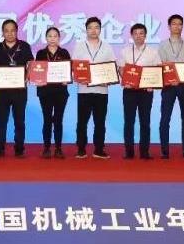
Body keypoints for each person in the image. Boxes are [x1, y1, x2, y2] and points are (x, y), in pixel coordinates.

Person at [72, 17, 117, 159]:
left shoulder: (107, 47)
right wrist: (79, 76)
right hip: (84, 90)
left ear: (100, 29)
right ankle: (81, 149)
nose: (93, 30)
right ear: (86, 30)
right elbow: (74, 67)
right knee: (82, 121)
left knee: (100, 122)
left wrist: (108, 80)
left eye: (96, 27)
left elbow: (112, 67)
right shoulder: (79, 46)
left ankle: (99, 149)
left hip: (101, 91)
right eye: (90, 27)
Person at [0, 19, 34, 158]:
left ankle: (19, 149)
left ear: (17, 31)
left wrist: (28, 75)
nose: (9, 33)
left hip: (19, 91)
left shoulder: (25, 46)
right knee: (1, 122)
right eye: (6, 31)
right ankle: (0, 149)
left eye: (12, 31)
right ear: (3, 32)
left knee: (19, 121)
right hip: (2, 92)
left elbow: (31, 63)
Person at [158, 14, 184, 159]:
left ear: (182, 26)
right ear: (169, 27)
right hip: (169, 86)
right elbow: (160, 65)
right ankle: (164, 150)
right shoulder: (162, 45)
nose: (177, 26)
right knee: (165, 118)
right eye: (174, 24)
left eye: (179, 24)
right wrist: (170, 78)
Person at [119, 23, 161, 160]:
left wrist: (152, 84)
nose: (138, 36)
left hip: (145, 92)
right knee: (129, 121)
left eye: (141, 33)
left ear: (145, 35)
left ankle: (144, 151)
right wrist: (125, 80)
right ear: (131, 35)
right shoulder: (125, 51)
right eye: (135, 33)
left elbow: (157, 70)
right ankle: (129, 151)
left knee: (145, 122)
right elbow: (121, 69)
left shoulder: (153, 52)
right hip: (129, 91)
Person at [34, 27, 70, 159]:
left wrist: (67, 79)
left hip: (61, 92)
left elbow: (68, 70)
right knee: (47, 119)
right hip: (45, 92)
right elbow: (37, 71)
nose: (52, 38)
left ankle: (58, 148)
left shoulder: (64, 53)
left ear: (59, 38)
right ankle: (47, 148)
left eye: (55, 36)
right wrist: (38, 80)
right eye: (50, 36)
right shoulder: (41, 53)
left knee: (59, 120)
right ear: (46, 38)